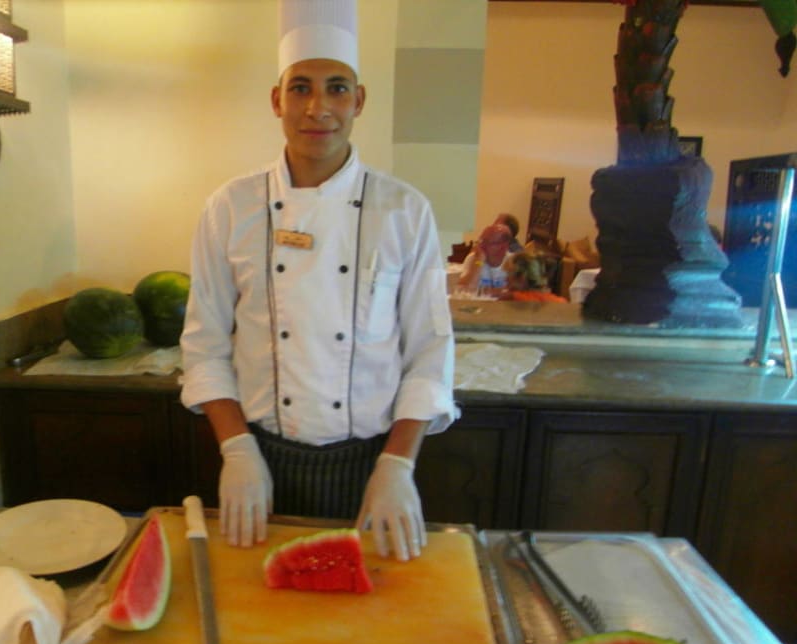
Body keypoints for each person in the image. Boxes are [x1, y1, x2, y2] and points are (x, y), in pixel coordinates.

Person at [179, 0, 457, 563]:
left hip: (372, 464)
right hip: (258, 461)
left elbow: (430, 350)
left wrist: (397, 465)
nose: (318, 108)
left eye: (337, 88)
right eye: (300, 87)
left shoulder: (404, 210)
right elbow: (204, 346)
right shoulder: (230, 207)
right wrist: (237, 450)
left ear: (359, 100)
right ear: (276, 99)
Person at [457, 223, 513, 297]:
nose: (481, 246)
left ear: (503, 247)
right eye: (481, 241)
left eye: (487, 242)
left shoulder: (514, 262)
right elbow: (463, 291)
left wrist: (490, 292)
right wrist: (479, 261)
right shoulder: (474, 259)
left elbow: (519, 293)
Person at [499, 251, 568, 303]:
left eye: (509, 275)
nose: (506, 279)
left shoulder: (510, 299)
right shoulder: (561, 302)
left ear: (521, 279)